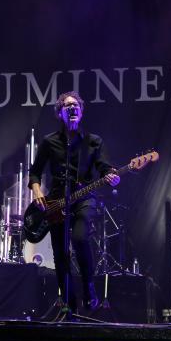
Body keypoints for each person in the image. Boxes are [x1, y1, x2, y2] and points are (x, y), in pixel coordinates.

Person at [28, 91, 119, 312]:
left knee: (79, 238)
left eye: (75, 105)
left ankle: (89, 286)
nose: (72, 108)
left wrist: (113, 176)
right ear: (59, 113)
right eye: (67, 106)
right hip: (57, 202)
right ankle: (70, 305)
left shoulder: (93, 141)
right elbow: (35, 173)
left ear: (81, 111)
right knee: (60, 254)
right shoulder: (50, 142)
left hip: (84, 199)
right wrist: (37, 190)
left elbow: (105, 168)